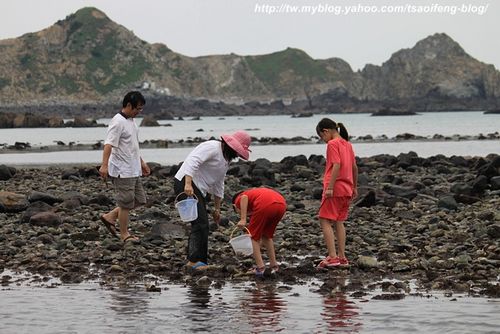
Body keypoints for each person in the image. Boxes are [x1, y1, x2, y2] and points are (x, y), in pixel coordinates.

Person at [174, 131, 252, 270]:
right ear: (230, 145)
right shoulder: (212, 147)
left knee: (204, 224)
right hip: (186, 182)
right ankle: (192, 262)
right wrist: (187, 183)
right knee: (200, 223)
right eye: (237, 152)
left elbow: (218, 183)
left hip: (198, 189)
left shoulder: (226, 159)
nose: (236, 156)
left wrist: (217, 208)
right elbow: (192, 161)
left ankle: (201, 261)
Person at [98, 91, 151, 242]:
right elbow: (109, 144)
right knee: (126, 204)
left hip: (133, 168)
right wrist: (104, 165)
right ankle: (124, 234)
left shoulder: (131, 121)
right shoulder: (117, 122)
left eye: (141, 109)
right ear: (128, 105)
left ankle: (111, 216)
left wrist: (142, 162)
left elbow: (132, 145)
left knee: (140, 199)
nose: (139, 112)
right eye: (137, 108)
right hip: (122, 170)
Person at [315, 118, 358, 268]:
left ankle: (333, 257)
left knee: (324, 219)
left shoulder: (332, 144)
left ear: (325, 131)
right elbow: (354, 168)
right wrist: (355, 187)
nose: (324, 141)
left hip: (336, 187)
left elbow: (336, 165)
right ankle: (342, 256)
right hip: (347, 188)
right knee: (339, 221)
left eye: (322, 137)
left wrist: (330, 187)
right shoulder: (347, 144)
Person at [233, 187, 286, 277]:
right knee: (267, 236)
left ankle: (260, 268)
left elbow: (244, 198)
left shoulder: (239, 198)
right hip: (281, 204)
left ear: (234, 206)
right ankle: (274, 265)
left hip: (265, 204)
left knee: (252, 237)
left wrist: (243, 219)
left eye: (237, 212)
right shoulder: (255, 193)